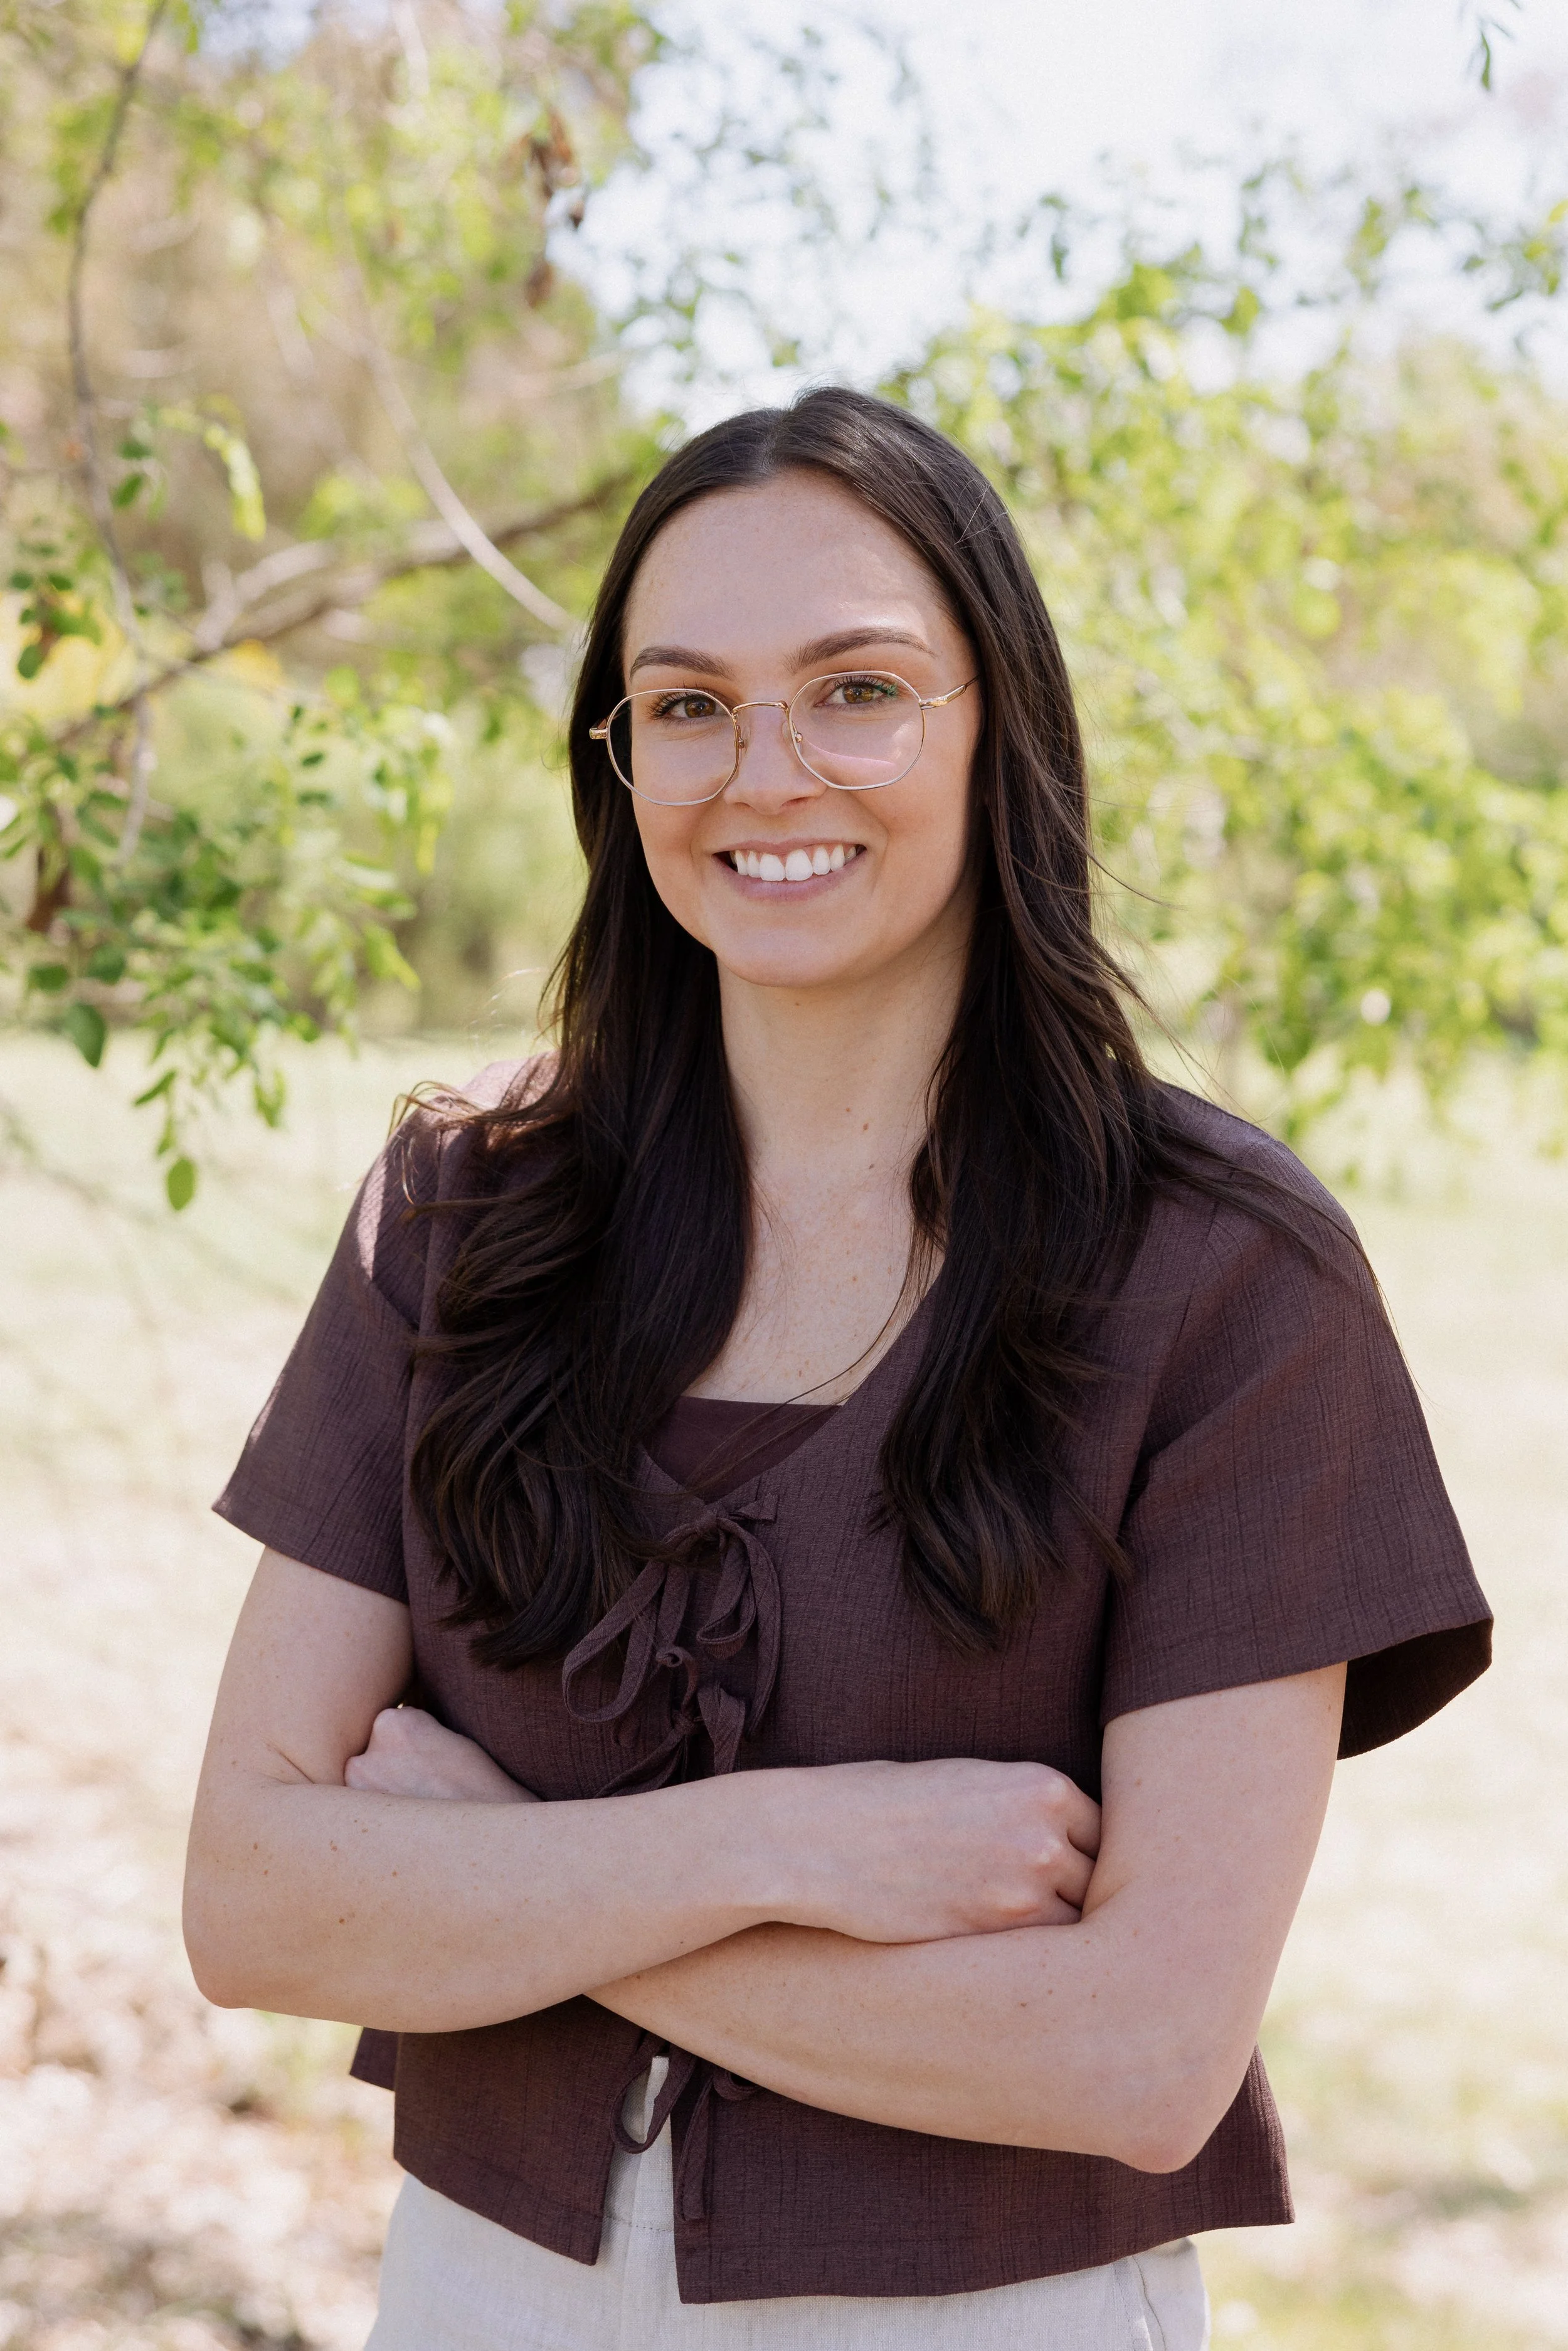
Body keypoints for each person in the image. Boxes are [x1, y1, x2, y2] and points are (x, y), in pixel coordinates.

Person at [184, 387, 1492, 2351]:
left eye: (857, 688)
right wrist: (788, 1847)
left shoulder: (1224, 1276)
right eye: (687, 703)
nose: (762, 769)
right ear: (616, 763)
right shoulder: (464, 1220)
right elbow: (253, 1902)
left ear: (999, 726)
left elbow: (1136, 2051)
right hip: (478, 2297)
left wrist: (499, 1883)